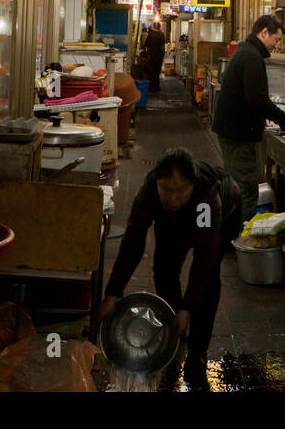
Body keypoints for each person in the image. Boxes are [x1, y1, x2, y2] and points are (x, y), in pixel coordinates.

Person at [99, 148, 243, 386]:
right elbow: (133, 242)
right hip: (175, 219)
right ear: (157, 183)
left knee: (208, 280)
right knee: (164, 268)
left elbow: (204, 257)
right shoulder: (148, 193)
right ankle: (176, 334)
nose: (173, 198)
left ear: (191, 184)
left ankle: (197, 354)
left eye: (180, 191)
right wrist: (113, 292)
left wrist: (188, 307)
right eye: (166, 190)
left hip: (225, 213)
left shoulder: (206, 198)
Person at [211, 14, 285, 220]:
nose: (276, 46)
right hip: (238, 135)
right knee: (246, 190)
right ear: (264, 33)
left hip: (233, 132)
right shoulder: (251, 56)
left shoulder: (246, 52)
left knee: (236, 187)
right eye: (276, 40)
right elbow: (257, 100)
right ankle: (238, 243)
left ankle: (228, 239)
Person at [142, 21, 167, 92]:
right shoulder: (161, 35)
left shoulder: (150, 34)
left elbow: (146, 44)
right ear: (159, 27)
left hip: (151, 55)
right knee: (157, 71)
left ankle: (151, 86)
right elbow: (163, 45)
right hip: (159, 56)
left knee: (151, 70)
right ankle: (156, 86)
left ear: (153, 27)